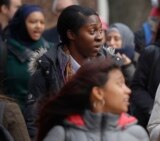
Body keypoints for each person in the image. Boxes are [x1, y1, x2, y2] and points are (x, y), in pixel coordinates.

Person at [25, 5, 122, 139]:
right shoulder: (47, 69)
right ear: (71, 34)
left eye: (100, 31)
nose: (99, 37)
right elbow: (34, 120)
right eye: (92, 31)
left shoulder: (110, 66)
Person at [36, 57, 149, 141]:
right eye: (120, 84)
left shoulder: (137, 134)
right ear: (98, 93)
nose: (128, 90)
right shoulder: (64, 135)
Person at [1, 4, 52, 111]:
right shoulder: (5, 49)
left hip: (41, 117)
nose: (38, 26)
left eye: (42, 22)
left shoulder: (51, 49)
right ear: (21, 24)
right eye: (33, 22)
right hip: (13, 115)